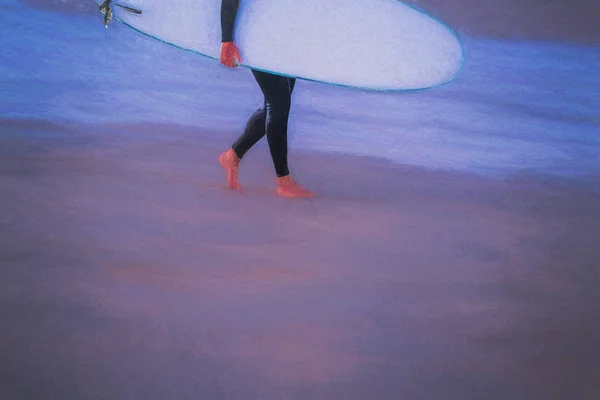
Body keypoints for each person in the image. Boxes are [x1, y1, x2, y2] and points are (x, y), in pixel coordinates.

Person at [218, 0, 314, 198]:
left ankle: (233, 155)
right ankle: (283, 180)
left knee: (276, 105)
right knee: (278, 104)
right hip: (258, 37)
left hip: (285, 37)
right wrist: (226, 39)